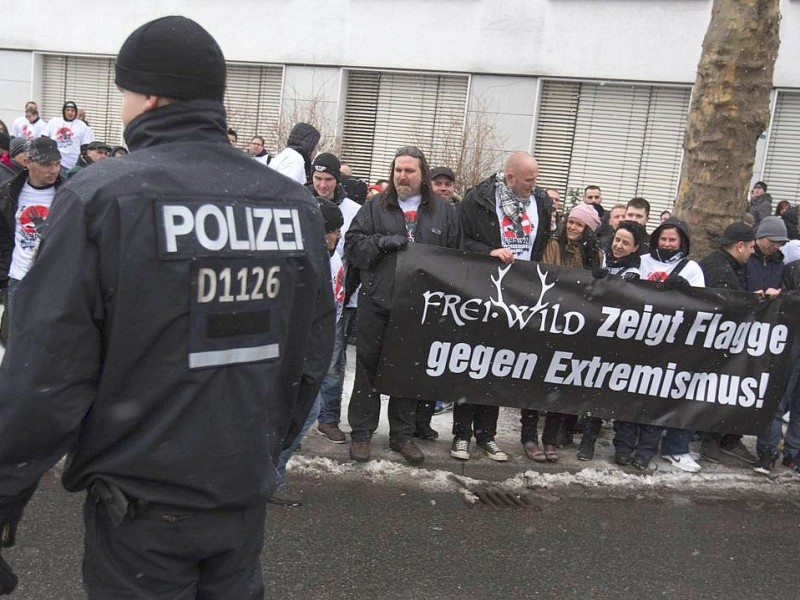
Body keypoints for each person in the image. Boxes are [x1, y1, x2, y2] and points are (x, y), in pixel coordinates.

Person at [0, 16, 334, 598]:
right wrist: (265, 447)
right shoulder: (292, 205)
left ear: (148, 94)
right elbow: (312, 352)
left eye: (125, 92)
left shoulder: (105, 196)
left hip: (143, 505)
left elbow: (46, 375)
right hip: (239, 495)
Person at [345, 146, 461, 465]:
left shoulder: (444, 212)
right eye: (398, 170)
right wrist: (381, 243)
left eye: (409, 170)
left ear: (422, 174)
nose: (402, 176)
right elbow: (353, 247)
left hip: (419, 307)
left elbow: (456, 259)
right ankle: (362, 434)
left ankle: (401, 435)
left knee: (407, 372)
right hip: (378, 301)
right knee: (368, 369)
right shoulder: (375, 207)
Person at [454, 151, 551, 462]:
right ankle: (461, 434)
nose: (533, 186)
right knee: (474, 362)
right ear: (509, 178)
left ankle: (487, 435)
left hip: (519, 297)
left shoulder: (541, 204)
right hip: (484, 291)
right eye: (528, 181)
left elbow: (540, 246)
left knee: (498, 365)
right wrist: (489, 251)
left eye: (535, 180)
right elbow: (460, 242)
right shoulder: (478, 200)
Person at [270, 198, 344, 506]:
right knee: (300, 414)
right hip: (298, 355)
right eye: (334, 230)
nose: (338, 236)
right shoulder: (303, 262)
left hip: (313, 350)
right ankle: (268, 479)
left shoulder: (327, 258)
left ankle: (270, 477)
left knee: (302, 413)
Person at [522, 202, 603, 462]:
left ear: (588, 229)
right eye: (571, 221)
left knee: (560, 383)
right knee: (535, 384)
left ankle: (550, 438)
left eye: (579, 224)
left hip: (575, 327)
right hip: (548, 321)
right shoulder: (553, 245)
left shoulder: (594, 254)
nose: (572, 227)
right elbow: (548, 278)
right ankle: (529, 436)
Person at [639, 217, 705, 473]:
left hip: (675, 342)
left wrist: (684, 292)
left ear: (682, 242)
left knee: (677, 394)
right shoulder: (643, 261)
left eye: (672, 240)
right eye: (663, 239)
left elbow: (701, 304)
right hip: (641, 338)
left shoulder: (691, 269)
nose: (666, 244)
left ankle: (675, 448)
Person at [305, 153, 361, 444]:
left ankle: (328, 418)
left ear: (338, 180)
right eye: (318, 179)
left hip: (339, 296)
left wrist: (348, 291)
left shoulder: (353, 210)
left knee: (333, 362)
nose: (322, 185)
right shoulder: (299, 200)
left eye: (328, 180)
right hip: (304, 299)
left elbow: (356, 255)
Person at [696, 222, 758, 466]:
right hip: (714, 343)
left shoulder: (718, 262)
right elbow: (724, 309)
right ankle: (710, 443)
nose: (753, 252)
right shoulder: (722, 271)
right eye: (751, 247)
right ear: (740, 246)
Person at [0, 137, 64, 311]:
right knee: (15, 335)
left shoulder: (68, 194)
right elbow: (3, 233)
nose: (53, 170)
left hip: (54, 281)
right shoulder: (8, 192)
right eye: (46, 164)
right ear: (28, 162)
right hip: (18, 278)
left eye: (57, 163)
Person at [745, 215, 787, 299]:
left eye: (780, 242)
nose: (776, 246)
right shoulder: (745, 257)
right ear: (760, 236)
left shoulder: (779, 262)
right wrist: (749, 297)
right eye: (772, 241)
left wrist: (780, 293)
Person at [45, 100, 95, 171]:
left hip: (73, 161)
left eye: (72, 110)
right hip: (57, 161)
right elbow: (44, 138)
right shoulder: (54, 122)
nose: (70, 112)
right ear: (64, 111)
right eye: (68, 110)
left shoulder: (82, 126)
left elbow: (85, 146)